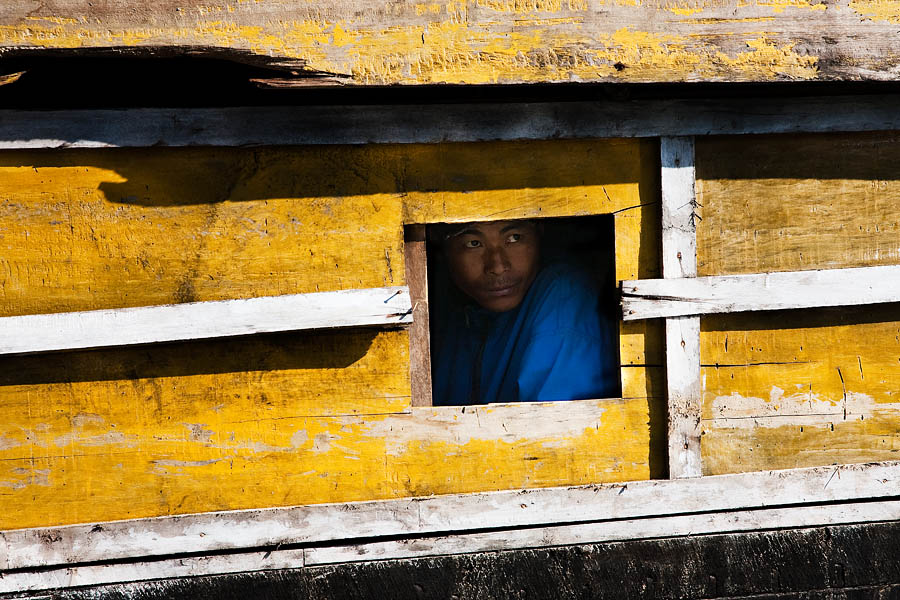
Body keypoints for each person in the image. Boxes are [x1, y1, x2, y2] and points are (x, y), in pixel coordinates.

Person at [430, 219, 618, 406]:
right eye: (474, 244)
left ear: (538, 232)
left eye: (514, 238)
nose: (497, 266)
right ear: (441, 245)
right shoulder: (457, 308)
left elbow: (555, 429)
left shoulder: (563, 299)